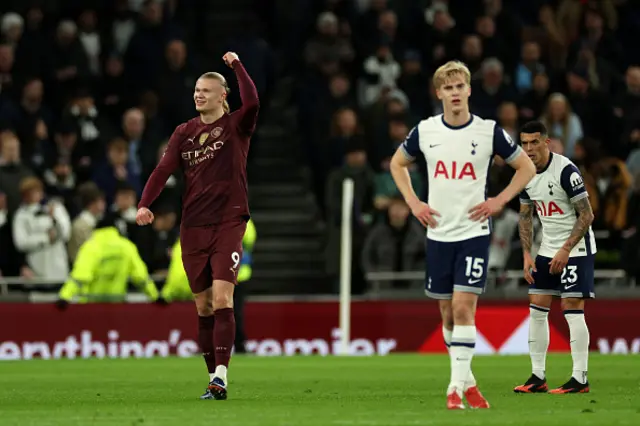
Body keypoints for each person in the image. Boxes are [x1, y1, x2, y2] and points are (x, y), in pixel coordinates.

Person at [389, 60, 536, 410]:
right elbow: (397, 164)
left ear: (469, 90)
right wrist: (413, 203)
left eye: (460, 87)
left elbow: (526, 166)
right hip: (439, 234)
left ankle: (453, 388)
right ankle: (469, 384)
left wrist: (499, 201)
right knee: (447, 315)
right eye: (448, 88)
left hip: (473, 232)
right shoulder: (425, 131)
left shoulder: (488, 131)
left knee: (463, 307)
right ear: (439, 93)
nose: (454, 93)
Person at [135, 51, 259, 401]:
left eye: (206, 90)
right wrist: (145, 204)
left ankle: (221, 375)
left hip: (229, 222)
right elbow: (163, 171)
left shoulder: (237, 125)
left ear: (222, 95)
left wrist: (236, 65)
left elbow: (252, 101)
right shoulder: (184, 133)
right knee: (203, 306)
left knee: (223, 298)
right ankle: (212, 377)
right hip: (193, 227)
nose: (198, 95)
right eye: (196, 90)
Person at [514, 121, 596, 394]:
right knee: (537, 304)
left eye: (534, 142)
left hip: (576, 247)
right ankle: (537, 376)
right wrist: (527, 254)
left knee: (571, 305)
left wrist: (566, 249)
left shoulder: (566, 170)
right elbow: (525, 215)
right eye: (524, 143)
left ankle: (580, 378)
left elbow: (587, 215)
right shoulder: (524, 173)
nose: (529, 148)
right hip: (547, 247)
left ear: (546, 143)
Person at [161, 218, 257, 353]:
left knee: (228, 312)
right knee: (216, 311)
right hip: (220, 273)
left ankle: (236, 345)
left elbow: (247, 238)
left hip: (234, 274)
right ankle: (212, 345)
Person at [57, 213, 159, 305]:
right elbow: (140, 276)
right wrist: (155, 296)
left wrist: (64, 296)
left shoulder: (91, 247)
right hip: (116, 306)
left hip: (91, 307)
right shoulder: (127, 247)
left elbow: (80, 276)